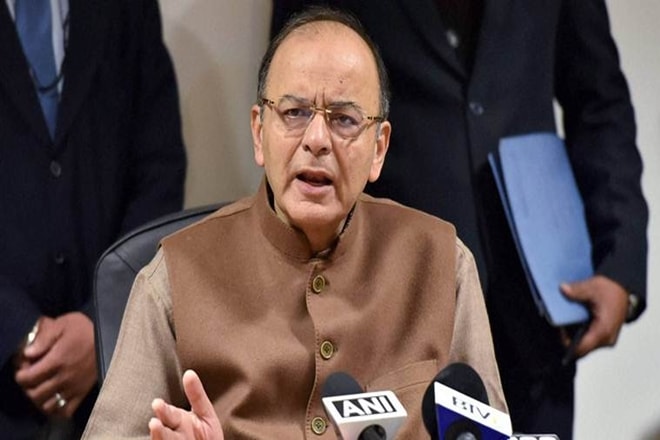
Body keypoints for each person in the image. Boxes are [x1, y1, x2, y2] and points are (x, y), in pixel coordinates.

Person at [82, 7, 507, 439]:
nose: (317, 140)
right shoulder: (171, 280)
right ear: (258, 132)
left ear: (378, 148)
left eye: (344, 120)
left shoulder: (443, 264)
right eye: (294, 113)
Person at [270, 1, 649, 438]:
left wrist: (619, 263)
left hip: (537, 309)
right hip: (393, 304)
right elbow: (293, 103)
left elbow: (599, 100)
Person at [0, 0, 187, 437]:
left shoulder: (127, 10)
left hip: (117, 386)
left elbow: (159, 176)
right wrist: (16, 330)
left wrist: (102, 323)